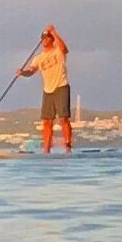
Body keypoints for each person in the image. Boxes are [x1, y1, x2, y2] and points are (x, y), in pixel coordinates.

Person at [20, 25, 74, 153]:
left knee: (63, 118)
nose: (44, 40)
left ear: (51, 39)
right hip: (48, 90)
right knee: (47, 121)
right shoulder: (38, 58)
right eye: (42, 38)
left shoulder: (58, 51)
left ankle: (68, 146)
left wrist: (54, 32)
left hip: (61, 86)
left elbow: (65, 49)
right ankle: (46, 149)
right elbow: (31, 70)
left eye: (46, 38)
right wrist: (23, 73)